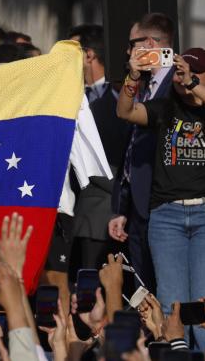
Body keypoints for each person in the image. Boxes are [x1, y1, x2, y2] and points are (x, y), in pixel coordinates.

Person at [116, 46, 205, 351]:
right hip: (167, 217)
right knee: (173, 309)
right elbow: (125, 111)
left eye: (196, 72)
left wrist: (194, 84)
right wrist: (133, 76)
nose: (186, 77)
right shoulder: (165, 108)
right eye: (181, 72)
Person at [108, 12, 177, 294]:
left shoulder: (179, 81)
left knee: (163, 286)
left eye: (132, 44)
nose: (127, 51)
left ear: (148, 43)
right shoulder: (144, 85)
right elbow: (132, 146)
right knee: (142, 289)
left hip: (163, 201)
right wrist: (122, 207)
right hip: (136, 204)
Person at [68, 24, 122, 270]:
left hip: (111, 212)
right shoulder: (68, 95)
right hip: (82, 216)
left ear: (88, 55)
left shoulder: (120, 96)